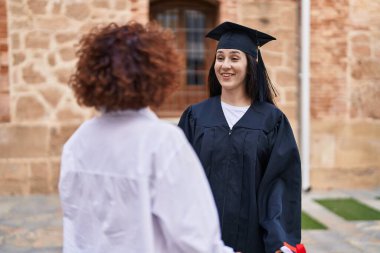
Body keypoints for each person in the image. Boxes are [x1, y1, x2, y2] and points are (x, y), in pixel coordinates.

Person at [59, 21, 234, 253]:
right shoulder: (162, 143)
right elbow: (196, 241)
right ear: (156, 73)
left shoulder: (77, 142)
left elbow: (75, 234)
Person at [178, 21, 303, 253]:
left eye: (234, 58)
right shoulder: (196, 116)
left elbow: (280, 184)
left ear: (250, 64)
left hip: (253, 241)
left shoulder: (272, 121)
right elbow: (178, 179)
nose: (225, 65)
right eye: (220, 57)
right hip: (202, 240)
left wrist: (279, 240)